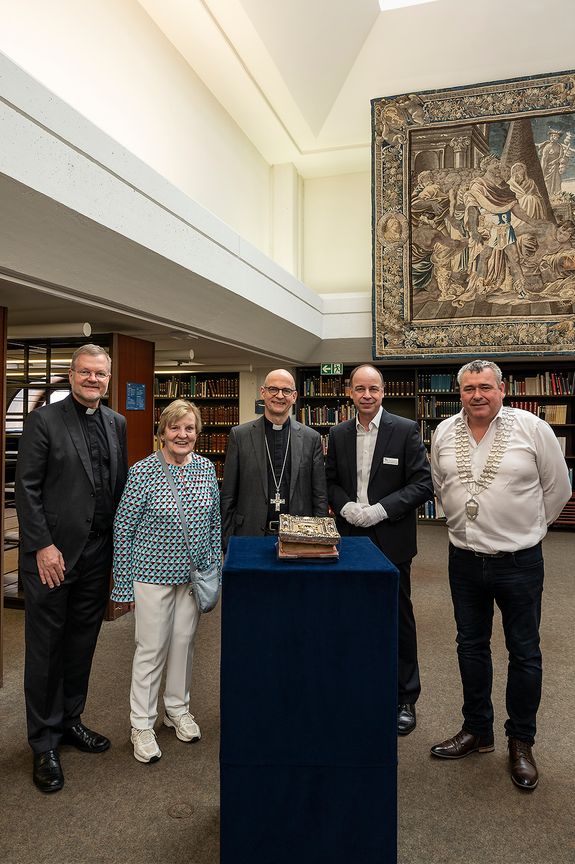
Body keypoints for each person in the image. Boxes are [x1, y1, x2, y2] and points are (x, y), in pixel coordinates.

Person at [430, 359, 571, 790]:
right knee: (470, 647)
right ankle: (477, 730)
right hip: (463, 560)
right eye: (469, 388)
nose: (477, 395)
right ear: (459, 392)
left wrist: (527, 530)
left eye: (486, 387)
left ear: (502, 389)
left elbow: (558, 488)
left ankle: (521, 742)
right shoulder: (443, 431)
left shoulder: (533, 429)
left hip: (519, 563)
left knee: (524, 652)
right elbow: (439, 484)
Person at [15, 344, 128, 793]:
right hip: (53, 557)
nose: (93, 379)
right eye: (85, 372)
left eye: (100, 373)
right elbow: (26, 488)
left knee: (82, 643)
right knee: (46, 648)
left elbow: (118, 488)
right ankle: (43, 742)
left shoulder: (117, 423)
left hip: (97, 553)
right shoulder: (44, 420)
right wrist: (42, 545)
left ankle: (70, 721)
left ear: (108, 378)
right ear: (72, 373)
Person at [325, 364, 434, 736]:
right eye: (360, 389)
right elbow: (330, 480)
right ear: (350, 393)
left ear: (383, 392)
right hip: (349, 539)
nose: (367, 395)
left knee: (398, 618)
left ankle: (405, 697)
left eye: (373, 388)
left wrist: (380, 510)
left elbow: (422, 484)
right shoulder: (338, 433)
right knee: (350, 616)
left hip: (391, 539)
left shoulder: (405, 430)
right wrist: (345, 506)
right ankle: (356, 686)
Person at [111, 399, 221, 764]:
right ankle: (141, 724)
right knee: (152, 648)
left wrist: (213, 570)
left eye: (189, 428)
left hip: (191, 578)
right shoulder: (143, 471)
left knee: (183, 644)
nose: (182, 435)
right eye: (175, 428)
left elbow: (214, 523)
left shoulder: (206, 468)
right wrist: (123, 584)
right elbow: (123, 529)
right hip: (151, 576)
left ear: (197, 433)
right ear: (162, 432)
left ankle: (177, 709)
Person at [220, 369, 327, 546]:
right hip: (249, 535)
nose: (279, 396)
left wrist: (319, 541)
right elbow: (228, 496)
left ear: (294, 396)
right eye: (273, 389)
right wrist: (226, 542)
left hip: (299, 537)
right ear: (263, 392)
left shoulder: (311, 438)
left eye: (286, 391)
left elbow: (320, 496)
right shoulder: (239, 436)